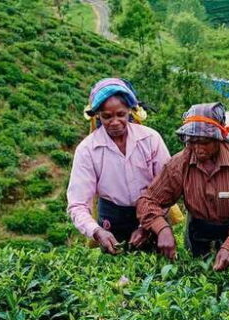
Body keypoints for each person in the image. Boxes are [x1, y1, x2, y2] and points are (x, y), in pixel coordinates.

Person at [136, 103, 229, 278]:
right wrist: (162, 228)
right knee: (202, 282)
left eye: (205, 142)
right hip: (200, 234)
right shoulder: (180, 163)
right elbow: (148, 201)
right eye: (192, 141)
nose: (198, 148)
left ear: (219, 138)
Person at [67, 78, 170, 254]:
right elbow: (77, 204)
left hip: (151, 215)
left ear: (130, 111)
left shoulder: (150, 139)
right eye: (107, 116)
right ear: (98, 114)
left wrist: (147, 226)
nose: (114, 122)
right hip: (111, 220)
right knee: (115, 273)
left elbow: (167, 188)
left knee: (154, 270)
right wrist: (97, 232)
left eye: (120, 114)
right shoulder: (87, 150)